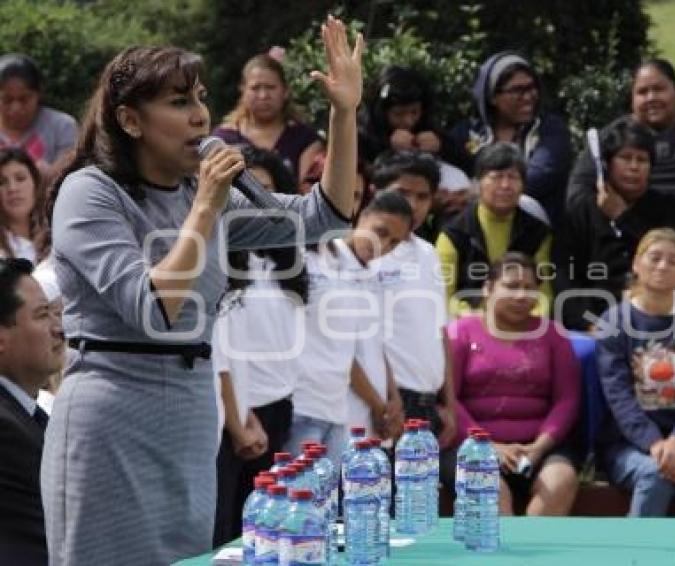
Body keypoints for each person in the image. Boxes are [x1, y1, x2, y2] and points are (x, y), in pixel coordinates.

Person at [41, 17, 363, 565]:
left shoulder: (205, 195)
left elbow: (325, 218)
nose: (199, 116)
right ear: (129, 119)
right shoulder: (90, 192)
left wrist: (344, 112)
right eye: (177, 101)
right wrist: (207, 208)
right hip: (111, 416)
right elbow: (154, 307)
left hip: (191, 416)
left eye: (201, 98)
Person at [567, 58, 675, 290]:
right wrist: (617, 213)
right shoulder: (610, 139)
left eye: (659, 89)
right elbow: (578, 192)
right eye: (642, 92)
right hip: (622, 241)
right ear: (632, 100)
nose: (651, 98)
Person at [210, 144, 306, 545]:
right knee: (228, 527)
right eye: (243, 191)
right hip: (238, 411)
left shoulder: (286, 261)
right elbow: (221, 348)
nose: (253, 202)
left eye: (265, 192)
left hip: (279, 403)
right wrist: (238, 417)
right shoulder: (220, 258)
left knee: (266, 530)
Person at [595, 229, 675, 518]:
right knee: (654, 474)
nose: (663, 266)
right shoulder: (614, 320)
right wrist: (653, 443)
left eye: (673, 261)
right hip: (630, 443)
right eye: (654, 258)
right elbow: (618, 394)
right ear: (636, 265)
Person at [446, 252, 581, 515]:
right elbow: (450, 398)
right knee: (490, 490)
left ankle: (533, 554)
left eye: (530, 288)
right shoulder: (461, 332)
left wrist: (539, 447)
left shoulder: (553, 334)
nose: (521, 296)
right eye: (511, 286)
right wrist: (487, 445)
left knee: (560, 481)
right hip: (473, 444)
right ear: (487, 289)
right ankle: (504, 556)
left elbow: (567, 399)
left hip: (539, 447)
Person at [286, 190, 413, 462]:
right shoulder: (323, 264)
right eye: (379, 232)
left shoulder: (372, 274)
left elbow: (376, 344)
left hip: (361, 411)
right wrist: (380, 405)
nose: (383, 245)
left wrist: (394, 397)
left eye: (394, 242)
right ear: (362, 215)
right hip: (330, 404)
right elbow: (343, 351)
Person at [554, 118, 675, 331]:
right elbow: (565, 279)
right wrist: (591, 323)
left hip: (657, 317)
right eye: (625, 158)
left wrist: (622, 217)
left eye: (642, 160)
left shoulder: (670, 209)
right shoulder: (581, 211)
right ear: (607, 163)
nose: (634, 167)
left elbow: (671, 261)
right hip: (593, 320)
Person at [369, 150, 456, 446]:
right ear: (375, 191)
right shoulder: (366, 254)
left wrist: (449, 405)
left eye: (423, 197)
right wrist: (390, 400)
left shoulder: (428, 252)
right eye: (403, 193)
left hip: (427, 401)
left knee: (417, 493)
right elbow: (365, 337)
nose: (413, 205)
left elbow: (439, 330)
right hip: (384, 400)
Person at [451, 51, 572, 225]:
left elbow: (540, 175)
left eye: (532, 88)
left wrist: (480, 192)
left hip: (537, 232)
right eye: (518, 90)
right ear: (493, 97)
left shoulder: (550, 130)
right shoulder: (468, 133)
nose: (529, 96)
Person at [436, 141, 553, 316]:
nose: (505, 185)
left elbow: (544, 294)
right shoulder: (453, 234)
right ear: (478, 183)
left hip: (522, 326)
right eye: (496, 177)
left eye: (513, 177)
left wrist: (530, 321)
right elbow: (443, 296)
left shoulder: (537, 233)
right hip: (470, 324)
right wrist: (479, 320)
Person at [0, 258, 64, 565]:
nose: (58, 329)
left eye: (55, 313)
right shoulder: (6, 429)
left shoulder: (26, 414)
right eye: (42, 315)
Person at [213, 51, 323, 185]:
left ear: (285, 91)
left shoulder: (305, 139)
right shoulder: (223, 139)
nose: (263, 95)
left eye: (270, 87)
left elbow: (308, 192)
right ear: (243, 91)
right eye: (255, 88)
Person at [358, 65, 465, 167]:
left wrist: (441, 146)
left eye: (414, 112)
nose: (408, 121)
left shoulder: (427, 126)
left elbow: (467, 163)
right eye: (398, 114)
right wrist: (387, 149)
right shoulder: (361, 135)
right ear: (381, 113)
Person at [0, 54, 78, 182]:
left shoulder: (62, 126)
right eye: (7, 100)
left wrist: (48, 174)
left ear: (38, 95)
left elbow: (68, 175)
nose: (16, 108)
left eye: (24, 99)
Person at [0, 148, 49, 263]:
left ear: (35, 184)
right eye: (1, 182)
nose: (12, 188)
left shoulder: (55, 234)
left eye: (20, 179)